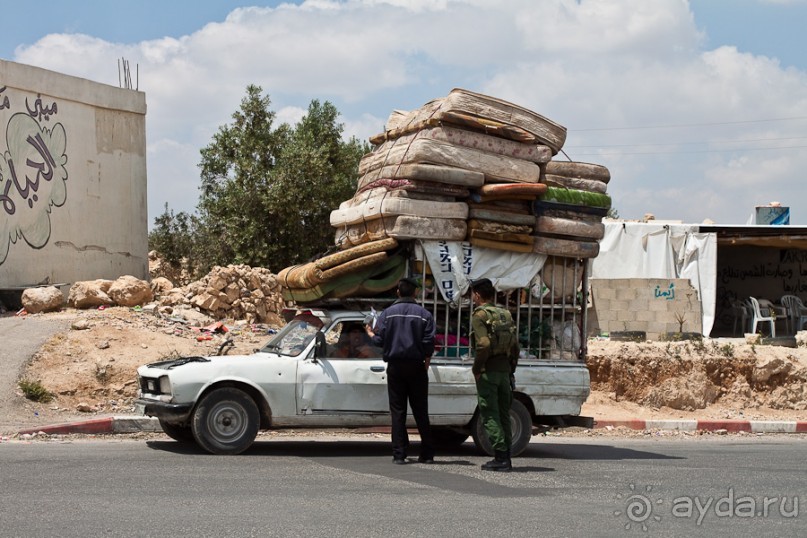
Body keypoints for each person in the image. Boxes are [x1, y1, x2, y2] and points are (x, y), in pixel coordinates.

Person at [366, 277, 436, 464]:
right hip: (417, 367)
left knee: (398, 412)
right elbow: (429, 343)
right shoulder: (424, 315)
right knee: (421, 412)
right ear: (415, 293)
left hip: (396, 368)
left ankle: (399, 454)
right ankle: (427, 454)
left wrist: (370, 334)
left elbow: (379, 341)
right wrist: (426, 363)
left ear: (398, 292)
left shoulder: (387, 314)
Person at [469, 278, 520, 472]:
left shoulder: (480, 315)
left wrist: (477, 369)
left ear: (477, 295)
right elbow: (515, 346)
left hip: (489, 372)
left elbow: (483, 344)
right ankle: (506, 456)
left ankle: (500, 457)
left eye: (472, 294)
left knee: (490, 413)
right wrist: (511, 369)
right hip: (504, 371)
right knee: (504, 414)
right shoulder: (504, 313)